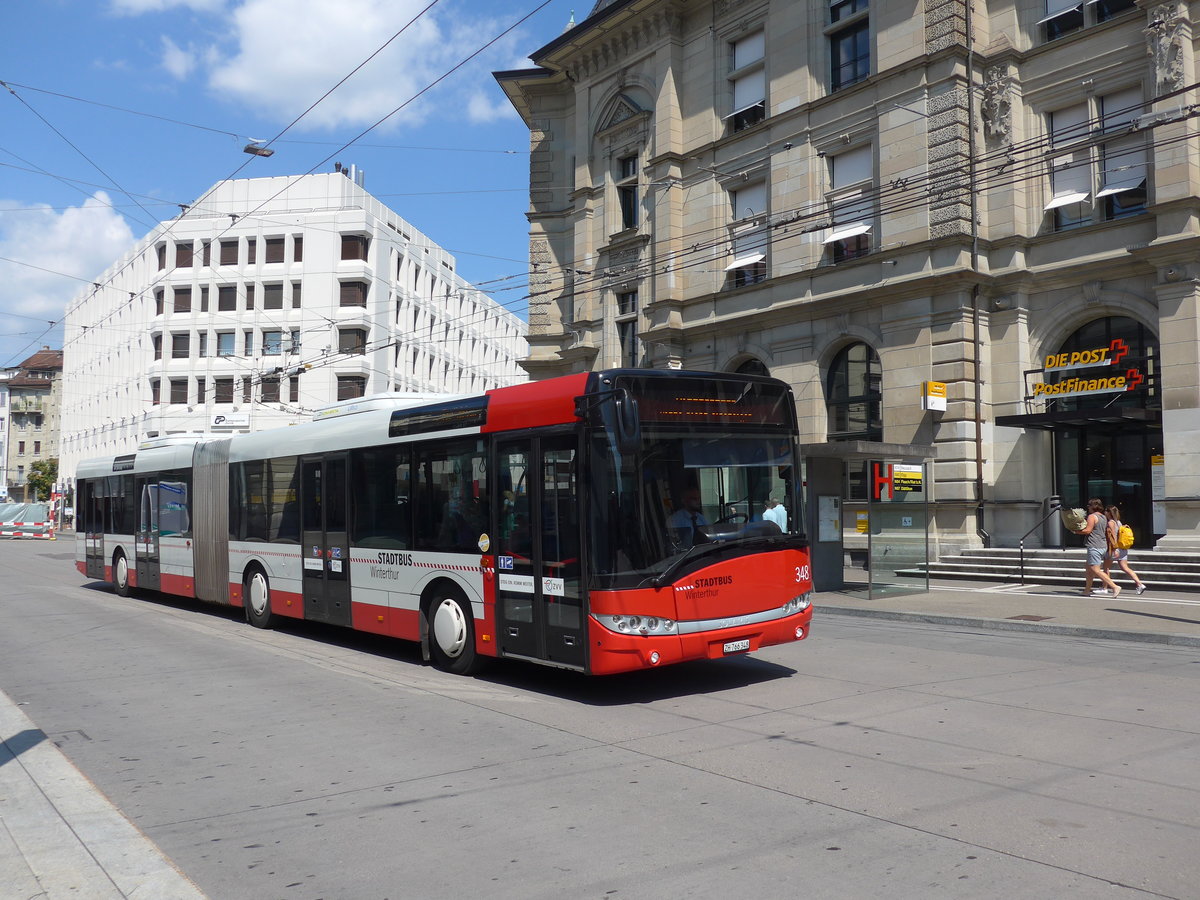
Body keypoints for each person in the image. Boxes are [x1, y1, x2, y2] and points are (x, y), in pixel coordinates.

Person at [1074, 498, 1120, 597]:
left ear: (1093, 506)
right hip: (1102, 545)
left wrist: (1075, 531)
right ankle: (1087, 590)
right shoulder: (1103, 516)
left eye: (1089, 505)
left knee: (1095, 569)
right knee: (1089, 569)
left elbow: (1088, 530)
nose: (1088, 507)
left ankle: (1114, 586)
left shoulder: (1092, 516)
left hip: (1094, 545)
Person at [1104, 505, 1146, 595]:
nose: (1104, 512)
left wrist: (1114, 549)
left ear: (1109, 512)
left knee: (1106, 568)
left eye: (1105, 511)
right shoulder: (1119, 522)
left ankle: (1105, 587)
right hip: (1122, 548)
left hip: (1114, 548)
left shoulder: (1111, 523)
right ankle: (1139, 584)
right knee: (1125, 568)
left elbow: (1113, 536)